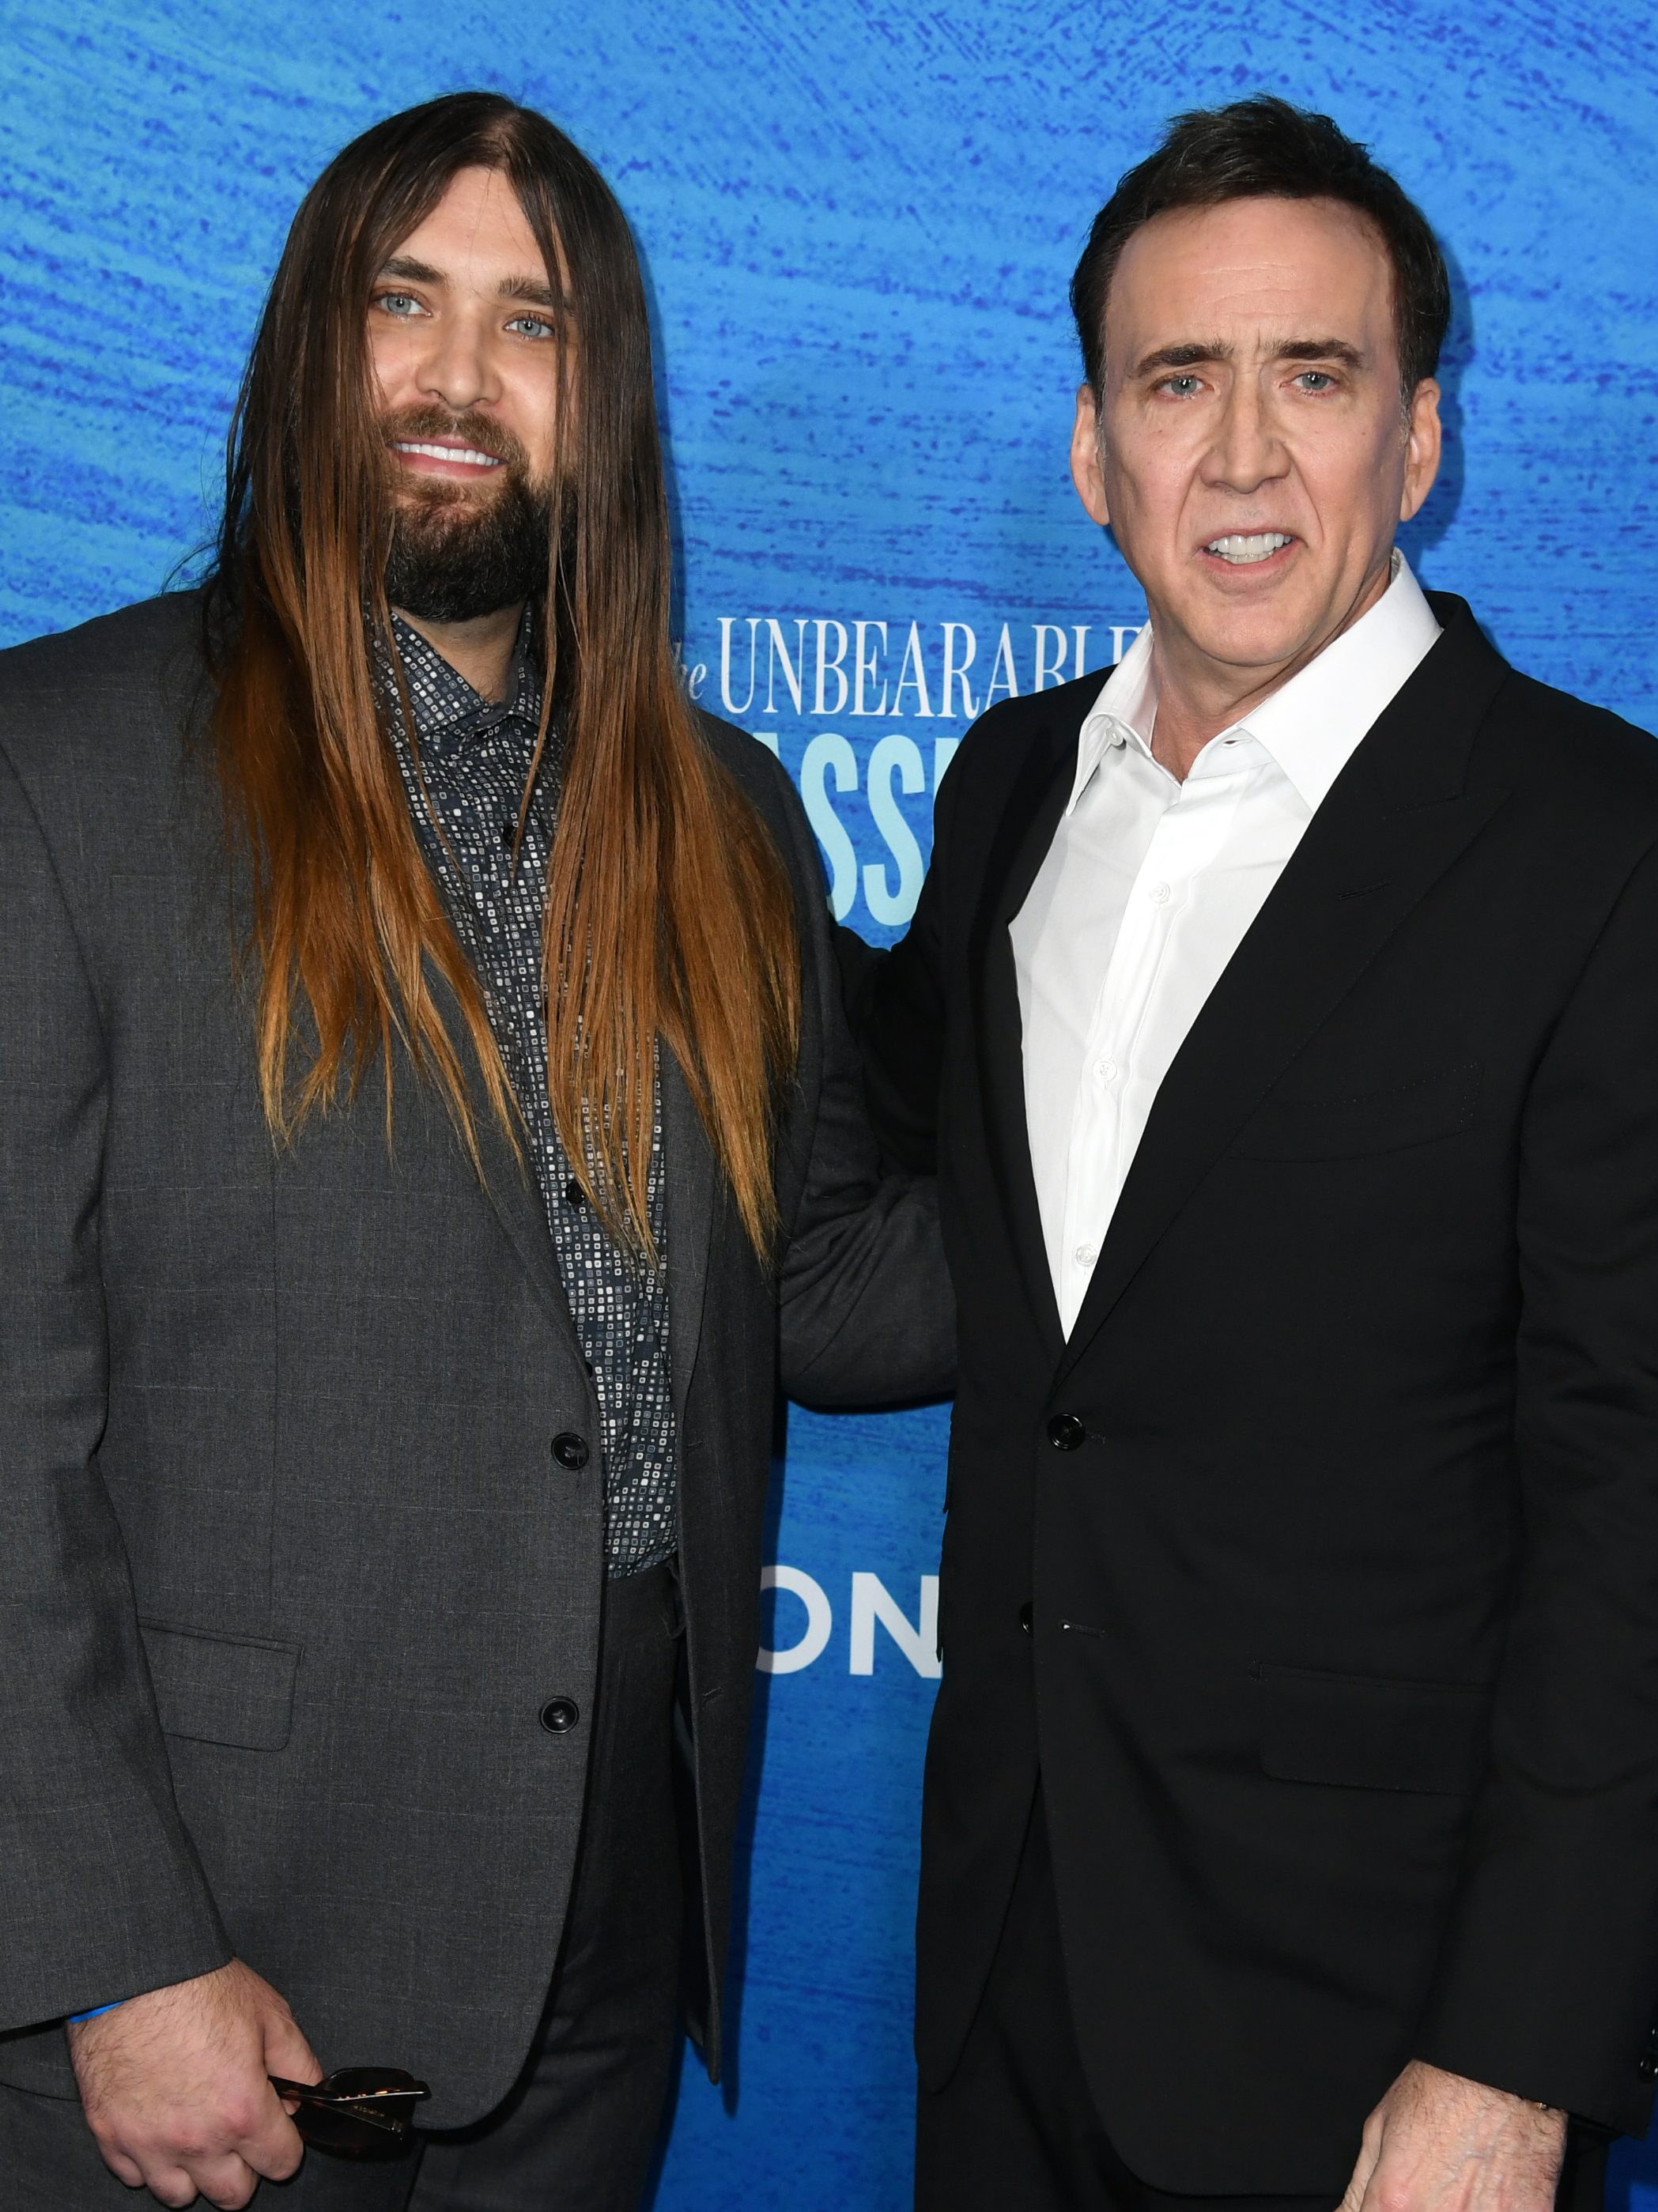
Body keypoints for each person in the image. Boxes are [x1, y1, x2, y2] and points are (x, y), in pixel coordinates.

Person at [0, 92, 951, 2210]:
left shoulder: (722, 817)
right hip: (207, 1973)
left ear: (600, 399)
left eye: (532, 325)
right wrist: (114, 1954)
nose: (454, 375)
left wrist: (1206, 1150)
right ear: (301, 351)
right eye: (399, 302)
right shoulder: (54, 770)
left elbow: (815, 1292)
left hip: (595, 1959)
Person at [839, 94, 1658, 2212]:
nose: (1236, 455)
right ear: (1094, 447)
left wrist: (1509, 2055)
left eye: (1313, 376)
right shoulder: (1015, 782)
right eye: (1173, 380)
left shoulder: (1599, 847)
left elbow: (1630, 1502)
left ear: (1417, 440)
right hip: (1003, 1986)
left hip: (1378, 2046)